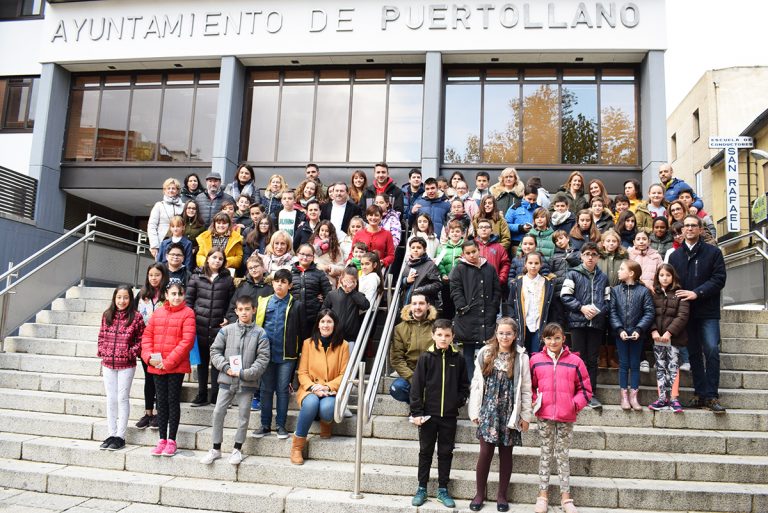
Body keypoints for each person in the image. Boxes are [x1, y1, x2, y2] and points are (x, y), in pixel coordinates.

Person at [468, 317, 532, 512]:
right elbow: (477, 384)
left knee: (506, 454)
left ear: (515, 335)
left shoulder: (522, 357)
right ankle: (479, 493)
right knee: (485, 453)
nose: (505, 336)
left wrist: (526, 416)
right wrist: (474, 411)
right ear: (496, 333)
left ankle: (502, 495)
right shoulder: (485, 353)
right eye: (501, 332)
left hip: (510, 411)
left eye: (509, 333)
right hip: (488, 409)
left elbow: (526, 389)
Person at [200, 296, 269, 466]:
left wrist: (246, 373)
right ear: (236, 311)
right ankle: (216, 448)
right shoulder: (226, 330)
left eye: (247, 309)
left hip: (247, 383)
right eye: (240, 309)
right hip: (226, 379)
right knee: (218, 413)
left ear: (254, 310)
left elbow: (263, 358)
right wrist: (225, 367)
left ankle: (237, 449)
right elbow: (215, 351)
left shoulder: (260, 333)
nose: (244, 312)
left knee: (243, 415)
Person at [530, 323, 592, 513]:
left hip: (566, 415)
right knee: (546, 454)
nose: (553, 341)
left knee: (562, 455)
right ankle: (543, 495)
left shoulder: (575, 361)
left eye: (557, 337)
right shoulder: (535, 360)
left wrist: (574, 405)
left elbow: (586, 390)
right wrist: (535, 400)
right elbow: (530, 387)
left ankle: (566, 498)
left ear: (563, 339)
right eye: (549, 338)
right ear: (543, 340)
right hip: (544, 415)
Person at [669, 215, 727, 413]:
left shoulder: (713, 252)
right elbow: (671, 283)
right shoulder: (675, 256)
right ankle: (700, 393)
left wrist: (697, 293)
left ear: (701, 230)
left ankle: (711, 396)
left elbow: (719, 279)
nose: (690, 229)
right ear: (682, 230)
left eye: (694, 225)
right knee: (693, 353)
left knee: (711, 350)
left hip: (707, 311)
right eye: (687, 226)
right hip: (686, 313)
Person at [409, 319, 469, 509]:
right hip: (428, 415)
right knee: (425, 452)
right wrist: (417, 411)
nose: (443, 338)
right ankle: (422, 488)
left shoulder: (458, 358)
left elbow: (464, 386)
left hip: (449, 416)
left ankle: (443, 489)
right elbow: (417, 387)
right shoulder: (426, 358)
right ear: (433, 335)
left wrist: (457, 402)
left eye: (447, 335)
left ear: (452, 337)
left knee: (445, 452)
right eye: (440, 335)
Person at [141, 282, 196, 457]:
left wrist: (169, 362)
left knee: (172, 401)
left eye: (180, 294)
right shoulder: (158, 313)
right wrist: (149, 357)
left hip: (175, 366)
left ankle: (172, 440)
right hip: (157, 365)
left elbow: (187, 341)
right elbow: (147, 336)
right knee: (161, 401)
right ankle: (161, 439)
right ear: (166, 294)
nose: (176, 297)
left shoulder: (188, 313)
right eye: (173, 293)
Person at [291, 309, 351, 464]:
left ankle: (326, 422)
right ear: (318, 324)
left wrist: (326, 387)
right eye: (323, 321)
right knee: (311, 403)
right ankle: (297, 447)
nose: (326, 325)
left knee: (327, 409)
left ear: (334, 324)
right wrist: (313, 388)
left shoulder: (343, 346)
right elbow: (302, 372)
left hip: (331, 390)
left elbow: (345, 375)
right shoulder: (308, 343)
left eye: (329, 321)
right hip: (310, 389)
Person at [253, 269, 303, 439]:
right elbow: (256, 327)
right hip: (266, 354)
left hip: (287, 356)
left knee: (282, 390)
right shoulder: (264, 302)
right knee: (265, 390)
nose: (279, 284)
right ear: (272, 283)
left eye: (283, 282)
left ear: (290, 285)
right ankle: (265, 424)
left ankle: (281, 426)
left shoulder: (297, 305)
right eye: (276, 281)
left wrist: (299, 353)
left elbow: (302, 331)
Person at [560, 242, 609, 410]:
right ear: (581, 256)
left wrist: (599, 311)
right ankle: (575, 391)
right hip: (577, 322)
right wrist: (581, 308)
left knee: (592, 359)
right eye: (587, 254)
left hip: (596, 323)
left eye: (594, 254)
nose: (590, 257)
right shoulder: (572, 274)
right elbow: (565, 296)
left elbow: (608, 301)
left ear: (598, 257)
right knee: (577, 357)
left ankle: (590, 393)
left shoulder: (603, 277)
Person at [97, 285, 145, 451]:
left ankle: (120, 436)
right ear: (114, 298)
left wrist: (130, 352)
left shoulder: (136, 317)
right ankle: (111, 433)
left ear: (130, 299)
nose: (122, 301)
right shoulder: (107, 315)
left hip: (126, 364)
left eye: (125, 298)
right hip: (108, 363)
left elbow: (141, 340)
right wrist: (103, 351)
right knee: (111, 398)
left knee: (122, 397)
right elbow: (101, 336)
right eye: (119, 297)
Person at [186, 249, 235, 407]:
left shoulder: (227, 280)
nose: (217, 261)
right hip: (199, 326)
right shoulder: (196, 277)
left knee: (216, 362)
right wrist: (191, 317)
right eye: (214, 257)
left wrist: (228, 316)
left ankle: (215, 395)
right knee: (201, 363)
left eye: (220, 258)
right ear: (207, 259)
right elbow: (189, 300)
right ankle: (201, 394)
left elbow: (232, 302)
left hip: (217, 327)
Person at [451, 240, 501, 381]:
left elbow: (497, 290)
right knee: (468, 351)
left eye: (474, 251)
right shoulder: (459, 269)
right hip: (467, 316)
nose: (471, 255)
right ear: (463, 254)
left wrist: (493, 308)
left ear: (479, 250)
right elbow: (455, 290)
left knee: (487, 351)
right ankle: (471, 384)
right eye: (468, 253)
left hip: (487, 315)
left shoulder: (489, 268)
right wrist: (462, 307)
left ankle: (485, 381)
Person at [609, 260, 655, 411]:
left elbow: (649, 312)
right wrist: (619, 329)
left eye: (621, 269)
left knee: (635, 364)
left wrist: (639, 329)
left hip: (637, 334)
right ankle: (624, 396)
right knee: (623, 364)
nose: (618, 271)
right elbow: (612, 312)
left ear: (631, 273)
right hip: (621, 333)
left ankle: (634, 396)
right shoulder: (615, 290)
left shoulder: (643, 291)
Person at [649, 264, 689, 413]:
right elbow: (649, 313)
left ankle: (674, 398)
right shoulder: (653, 294)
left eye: (668, 275)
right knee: (660, 367)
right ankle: (662, 398)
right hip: (657, 338)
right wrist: (653, 331)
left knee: (673, 366)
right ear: (657, 277)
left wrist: (669, 332)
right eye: (661, 275)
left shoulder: (680, 294)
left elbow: (682, 315)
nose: (664, 278)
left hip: (674, 338)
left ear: (673, 277)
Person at [134, 263, 169, 430]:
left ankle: (159, 413)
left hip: (162, 344)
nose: (154, 278)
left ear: (163, 276)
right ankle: (148, 413)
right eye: (151, 275)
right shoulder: (141, 295)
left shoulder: (168, 295)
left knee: (159, 379)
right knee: (148, 379)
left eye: (157, 275)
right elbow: (133, 318)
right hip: (145, 345)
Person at [389, 294, 437, 402]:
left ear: (428, 306)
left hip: (432, 373)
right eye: (414, 304)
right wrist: (412, 378)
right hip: (410, 372)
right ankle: (414, 405)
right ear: (410, 306)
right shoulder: (400, 328)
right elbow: (397, 359)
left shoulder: (436, 327)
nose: (417, 307)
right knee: (397, 388)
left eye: (421, 303)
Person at [507, 252, 555, 355]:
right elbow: (510, 305)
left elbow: (553, 307)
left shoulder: (548, 284)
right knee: (522, 356)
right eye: (530, 263)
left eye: (536, 263)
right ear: (525, 264)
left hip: (540, 326)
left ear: (541, 264)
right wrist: (514, 323)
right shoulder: (517, 283)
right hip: (522, 326)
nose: (533, 266)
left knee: (537, 356)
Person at [291, 243, 333, 339]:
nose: (305, 257)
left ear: (313, 257)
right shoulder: (290, 273)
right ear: (297, 254)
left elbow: (328, 295)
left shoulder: (319, 274)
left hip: (313, 318)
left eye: (309, 255)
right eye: (302, 254)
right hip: (294, 317)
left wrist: (321, 312)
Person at [322, 267, 370, 343]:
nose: (348, 284)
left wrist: (352, 292)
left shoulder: (358, 295)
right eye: (346, 280)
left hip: (351, 337)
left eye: (352, 281)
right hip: (333, 335)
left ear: (356, 283)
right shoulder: (332, 294)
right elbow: (323, 311)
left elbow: (365, 305)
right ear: (341, 279)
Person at [148, 178, 185, 259]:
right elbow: (152, 226)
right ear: (164, 190)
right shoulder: (159, 205)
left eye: (173, 188)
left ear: (177, 190)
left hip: (179, 244)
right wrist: (154, 245)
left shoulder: (183, 206)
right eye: (168, 188)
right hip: (162, 244)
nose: (171, 190)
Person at [401, 236, 442, 308]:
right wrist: (406, 281)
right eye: (413, 248)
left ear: (425, 250)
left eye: (419, 248)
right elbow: (400, 284)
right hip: (407, 304)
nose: (415, 250)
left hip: (424, 305)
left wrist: (421, 290)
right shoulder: (407, 265)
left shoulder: (430, 265)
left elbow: (437, 284)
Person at [474, 218, 511, 290]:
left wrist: (501, 279)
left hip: (493, 284)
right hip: (474, 284)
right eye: (481, 227)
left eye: (486, 227)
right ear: (477, 230)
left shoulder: (499, 247)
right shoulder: (471, 246)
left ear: (491, 230)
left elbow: (505, 264)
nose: (484, 229)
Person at [311, 220, 345, 288]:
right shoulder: (312, 246)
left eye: (327, 231)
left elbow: (342, 267)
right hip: (313, 279)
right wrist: (320, 267)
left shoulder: (336, 248)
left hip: (329, 281)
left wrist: (332, 268)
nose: (324, 233)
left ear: (331, 233)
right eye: (322, 230)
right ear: (318, 231)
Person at [505, 185, 538, 251]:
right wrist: (521, 228)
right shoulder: (515, 208)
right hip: (517, 244)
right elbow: (506, 225)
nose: (532, 202)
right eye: (529, 199)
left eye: (534, 200)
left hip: (535, 244)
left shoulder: (539, 209)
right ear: (524, 196)